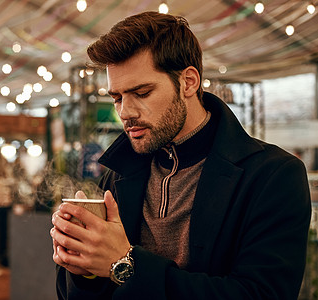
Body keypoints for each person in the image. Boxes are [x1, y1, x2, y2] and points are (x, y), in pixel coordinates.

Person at [50, 11, 312, 299]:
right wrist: (83, 266)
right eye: (117, 97)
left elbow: (260, 294)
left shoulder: (273, 175)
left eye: (142, 92)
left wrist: (125, 263)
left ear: (188, 82)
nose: (125, 112)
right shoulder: (118, 173)